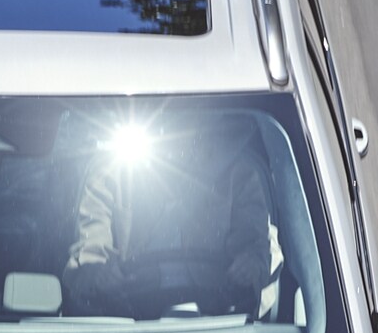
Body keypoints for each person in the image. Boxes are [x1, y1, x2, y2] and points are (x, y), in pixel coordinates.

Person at [62, 119, 270, 319]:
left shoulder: (237, 173)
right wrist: (100, 273)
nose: (178, 134)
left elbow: (256, 249)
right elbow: (90, 251)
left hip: (215, 317)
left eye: (187, 118)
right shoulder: (111, 172)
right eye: (170, 120)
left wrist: (249, 265)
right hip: (130, 319)